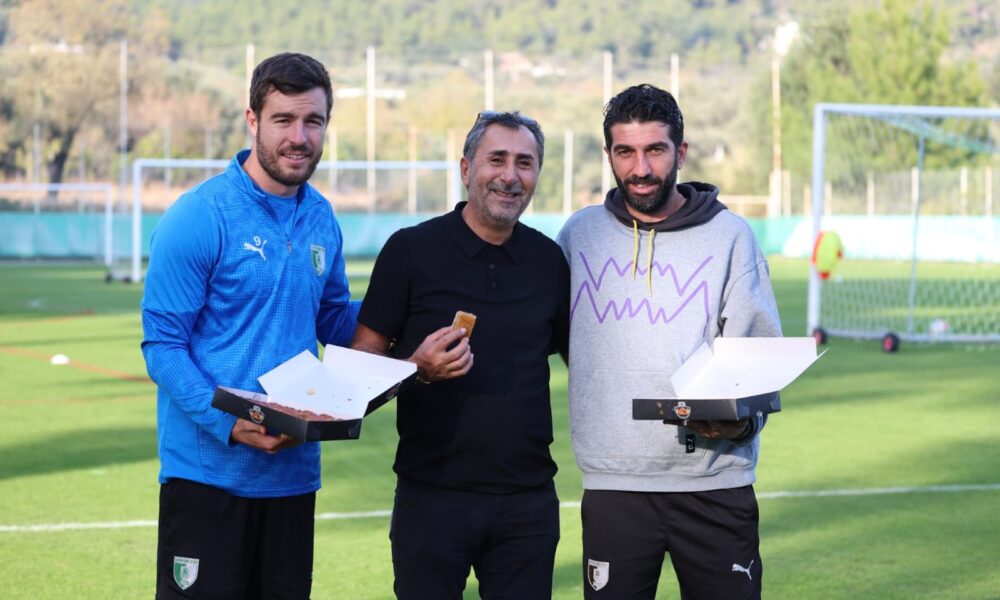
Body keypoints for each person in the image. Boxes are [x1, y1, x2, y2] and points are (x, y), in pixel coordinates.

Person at [141, 52, 358, 599]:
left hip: (293, 477)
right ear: (253, 120)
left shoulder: (321, 216)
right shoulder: (201, 214)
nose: (299, 137)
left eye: (313, 121)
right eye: (284, 120)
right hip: (207, 478)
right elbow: (162, 346)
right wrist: (229, 423)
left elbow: (336, 321)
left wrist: (413, 308)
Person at [556, 83, 783, 599]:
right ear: (609, 155)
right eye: (625, 152)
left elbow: (758, 358)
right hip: (614, 485)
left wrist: (740, 418)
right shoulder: (579, 235)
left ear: (681, 152)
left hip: (715, 484)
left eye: (655, 150)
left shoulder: (731, 236)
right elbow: (560, 340)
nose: (640, 168)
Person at [351, 111, 570, 599]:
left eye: (525, 163)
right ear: (467, 168)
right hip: (432, 497)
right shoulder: (410, 251)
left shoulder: (549, 261)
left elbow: (583, 359)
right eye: (497, 159)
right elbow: (357, 368)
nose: (510, 176)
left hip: (527, 502)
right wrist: (417, 369)